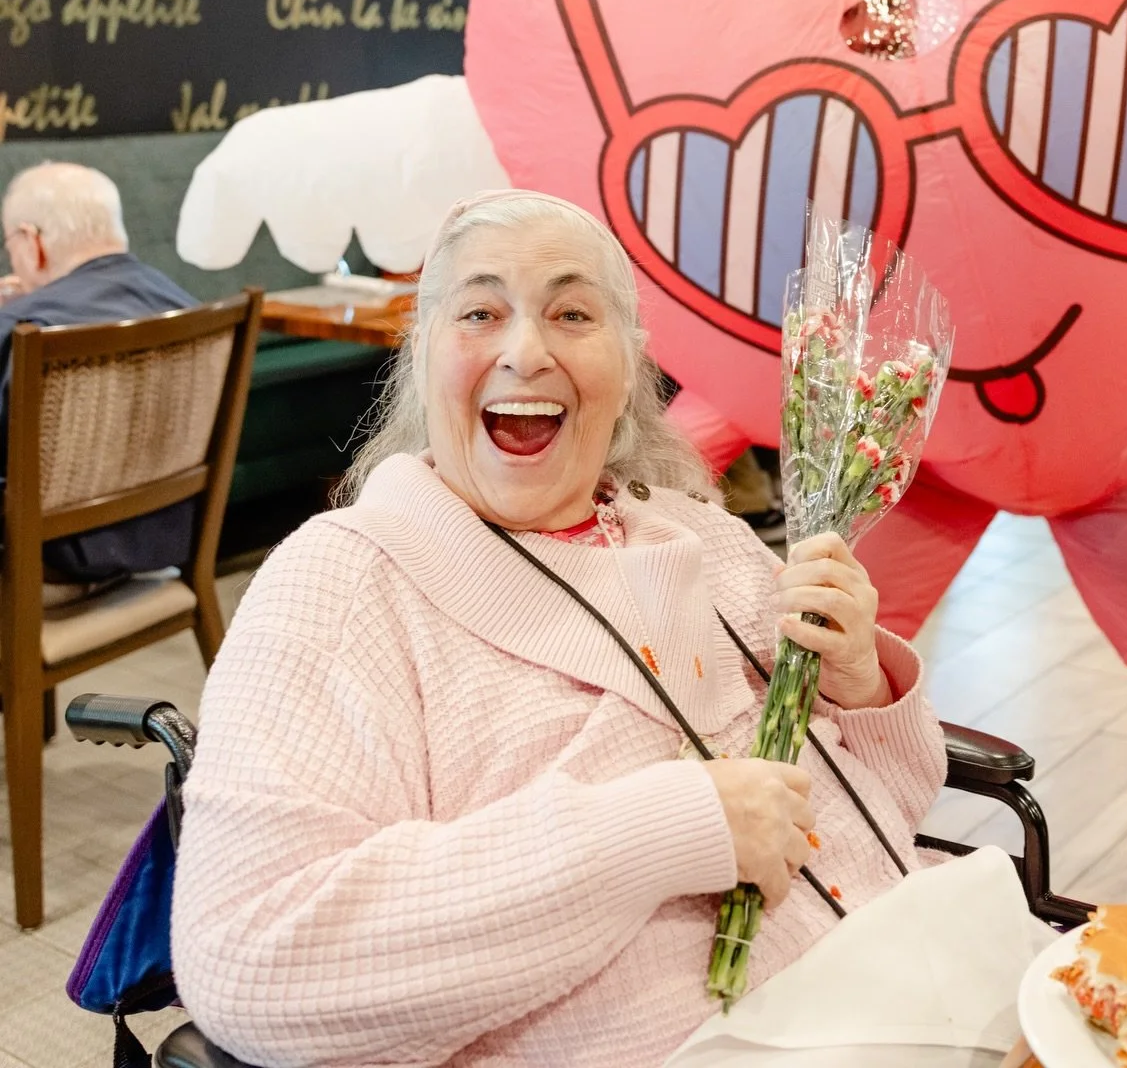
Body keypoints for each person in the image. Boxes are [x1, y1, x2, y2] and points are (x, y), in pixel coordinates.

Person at [171, 190, 990, 1068]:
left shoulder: (702, 535)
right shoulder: (341, 585)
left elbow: (899, 808)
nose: (526, 352)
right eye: (481, 311)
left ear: (631, 363)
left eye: (572, 313)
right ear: (421, 357)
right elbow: (250, 960)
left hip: (931, 977)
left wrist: (861, 688)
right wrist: (661, 829)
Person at [0, 162, 197, 580]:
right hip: (164, 536)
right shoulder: (186, 306)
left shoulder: (22, 328)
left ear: (32, 242)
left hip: (48, 559)